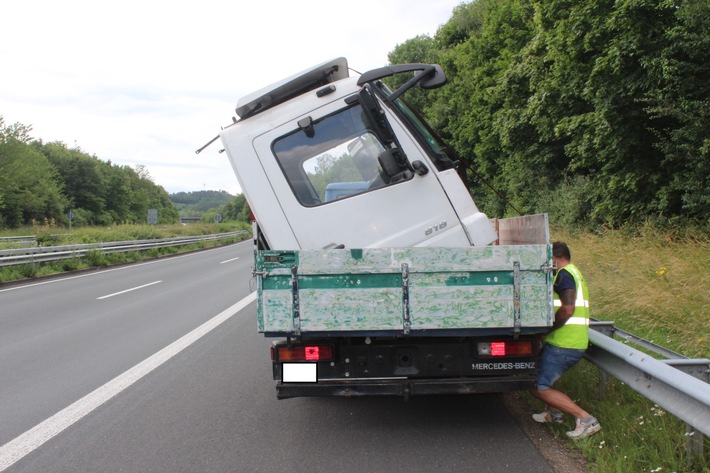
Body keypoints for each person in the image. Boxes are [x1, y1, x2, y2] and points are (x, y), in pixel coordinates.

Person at [530, 241, 601, 439]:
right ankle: (554, 414)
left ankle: (586, 420)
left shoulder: (564, 275)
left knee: (537, 385)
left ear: (555, 258)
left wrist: (548, 328)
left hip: (565, 343)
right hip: (569, 341)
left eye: (548, 260)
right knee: (540, 379)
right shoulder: (574, 271)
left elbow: (568, 309)